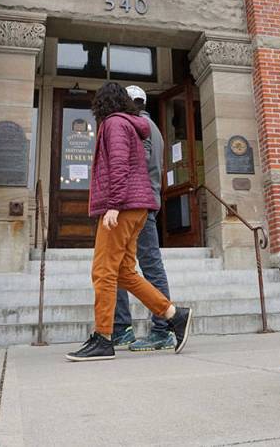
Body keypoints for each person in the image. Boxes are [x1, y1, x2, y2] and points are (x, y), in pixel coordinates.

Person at [66, 82, 193, 362]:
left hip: (123, 207)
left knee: (103, 271)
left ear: (103, 103)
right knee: (124, 271)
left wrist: (113, 205)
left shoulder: (114, 123)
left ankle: (103, 337)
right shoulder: (132, 125)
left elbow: (120, 165)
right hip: (138, 207)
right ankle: (174, 314)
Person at [111, 85, 176, 352]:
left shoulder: (139, 127)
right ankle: (122, 328)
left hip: (138, 204)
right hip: (145, 202)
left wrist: (114, 201)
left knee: (149, 265)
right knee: (120, 266)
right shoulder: (152, 126)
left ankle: (162, 329)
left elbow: (137, 163)